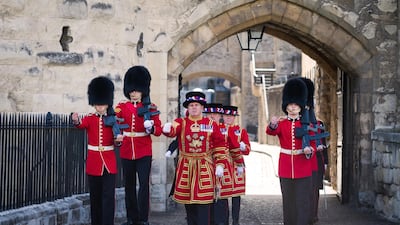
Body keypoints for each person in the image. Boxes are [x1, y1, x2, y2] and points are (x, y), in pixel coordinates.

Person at [162, 91, 228, 225]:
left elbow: (220, 144)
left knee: (204, 205)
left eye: (196, 105)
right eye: (191, 105)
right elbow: (173, 129)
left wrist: (220, 164)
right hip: (186, 167)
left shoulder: (211, 124)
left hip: (204, 167)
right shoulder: (182, 122)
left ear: (202, 107)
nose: (193, 107)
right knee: (189, 206)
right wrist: (167, 128)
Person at [71, 76, 122, 225]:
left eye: (102, 104)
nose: (100, 107)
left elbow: (116, 140)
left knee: (108, 197)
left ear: (107, 104)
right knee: (95, 197)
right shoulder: (90, 118)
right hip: (94, 162)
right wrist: (75, 120)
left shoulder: (113, 119)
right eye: (97, 104)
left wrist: (118, 140)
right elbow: (81, 124)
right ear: (94, 104)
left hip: (109, 162)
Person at [115, 66, 163, 225]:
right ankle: (131, 218)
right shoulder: (122, 107)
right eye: (131, 90)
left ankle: (143, 219)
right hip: (127, 150)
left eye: (136, 90)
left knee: (144, 186)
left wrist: (151, 127)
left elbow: (158, 130)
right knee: (128, 186)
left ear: (143, 90)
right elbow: (114, 122)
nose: (133, 92)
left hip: (144, 151)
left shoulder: (150, 107)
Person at [266, 77, 314, 225]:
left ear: (301, 106)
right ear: (286, 106)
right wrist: (273, 124)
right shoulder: (282, 123)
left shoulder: (307, 124)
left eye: (296, 105)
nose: (293, 107)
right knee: (288, 202)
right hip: (286, 168)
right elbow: (271, 132)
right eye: (290, 105)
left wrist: (309, 149)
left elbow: (312, 142)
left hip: (303, 168)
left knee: (302, 202)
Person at [203, 103, 234, 225]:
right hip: (206, 166)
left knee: (221, 198)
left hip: (222, 166)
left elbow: (233, 146)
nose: (212, 116)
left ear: (219, 115)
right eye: (209, 114)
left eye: (214, 114)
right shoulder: (202, 126)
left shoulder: (224, 129)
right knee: (205, 197)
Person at [222, 105, 250, 225]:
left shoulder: (240, 130)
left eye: (231, 116)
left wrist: (244, 147)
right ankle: (223, 220)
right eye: (227, 116)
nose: (229, 118)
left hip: (237, 165)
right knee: (223, 194)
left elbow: (248, 150)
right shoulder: (218, 129)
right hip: (223, 164)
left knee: (236, 195)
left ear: (234, 117)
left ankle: (235, 220)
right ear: (223, 116)